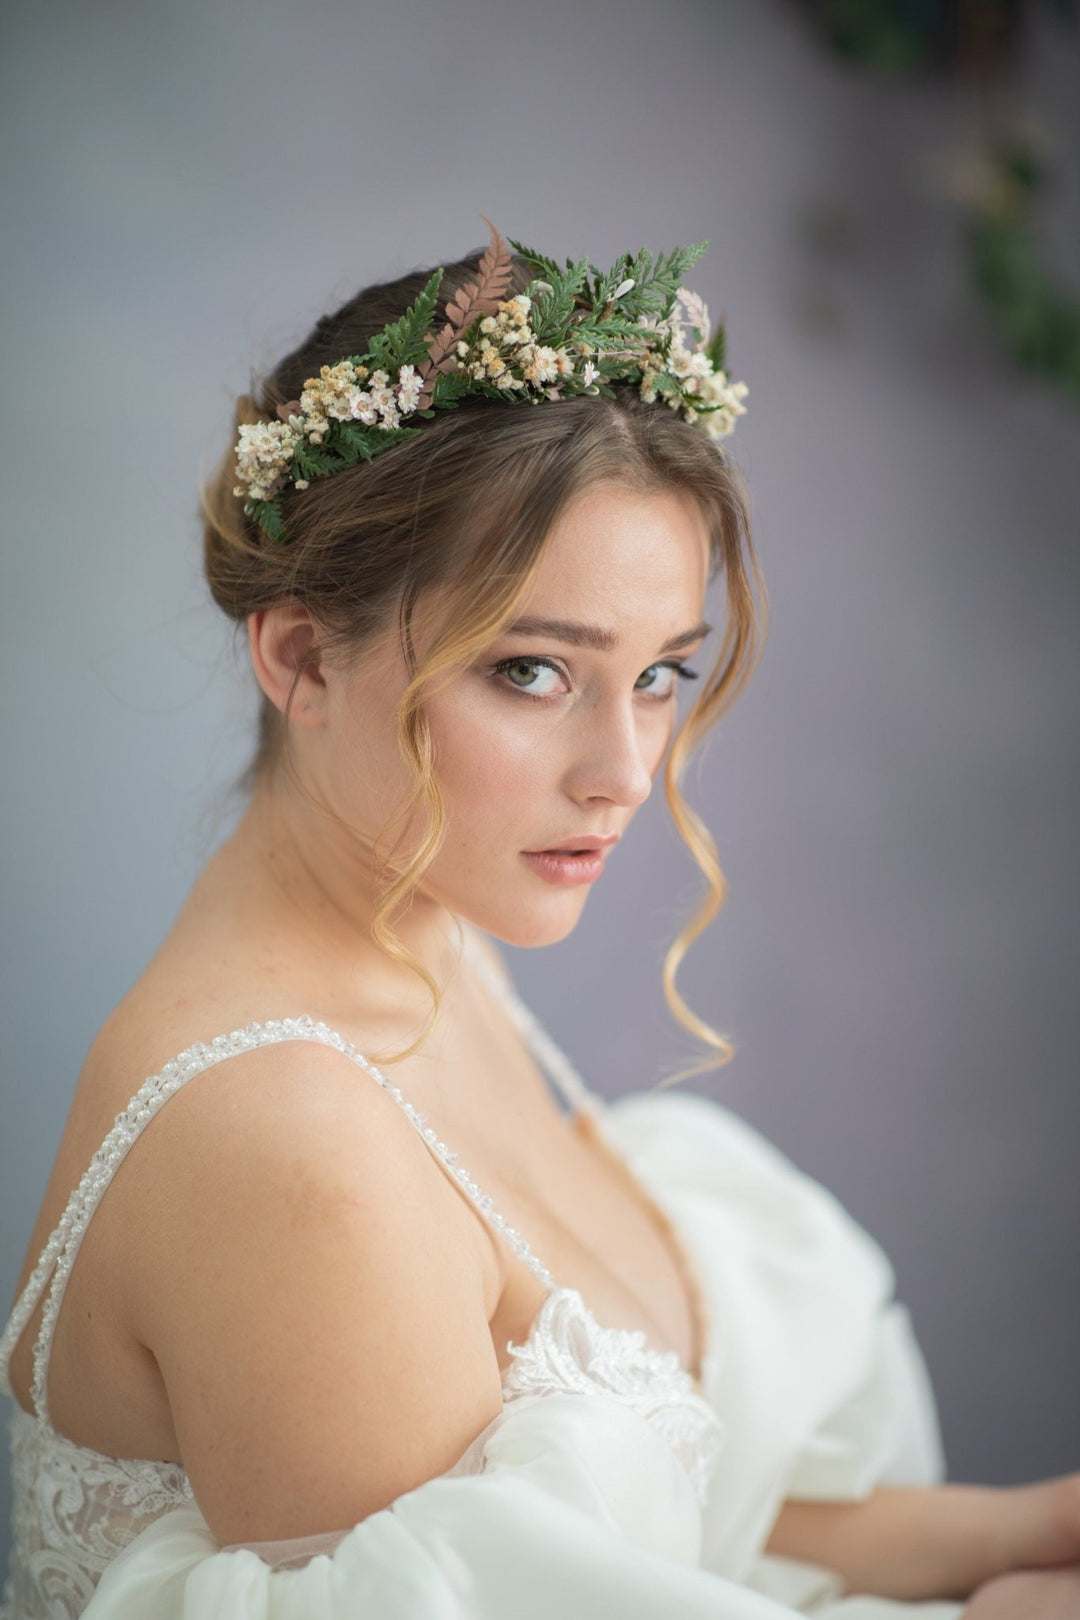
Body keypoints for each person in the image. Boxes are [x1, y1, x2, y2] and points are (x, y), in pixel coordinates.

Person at [0, 223, 1076, 1620]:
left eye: (660, 675)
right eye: (531, 671)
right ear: (302, 657)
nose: (623, 774)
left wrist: (1020, 1531)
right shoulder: (287, 1146)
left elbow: (673, 1541)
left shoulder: (422, 939)